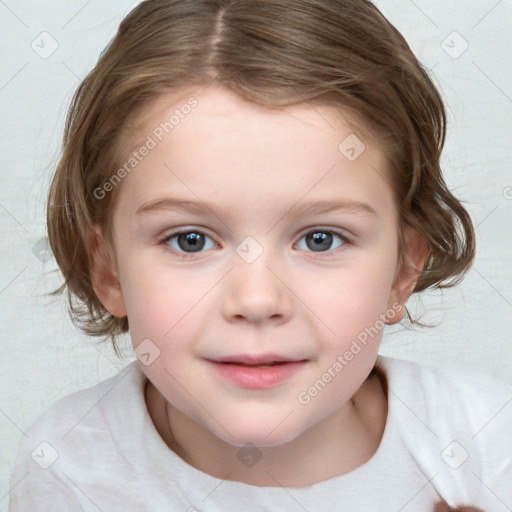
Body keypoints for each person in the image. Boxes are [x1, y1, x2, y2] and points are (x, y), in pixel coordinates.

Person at [8, 0, 511, 510]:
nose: (256, 299)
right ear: (107, 269)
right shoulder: (70, 468)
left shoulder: (486, 445)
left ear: (403, 271)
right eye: (190, 240)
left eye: (321, 239)